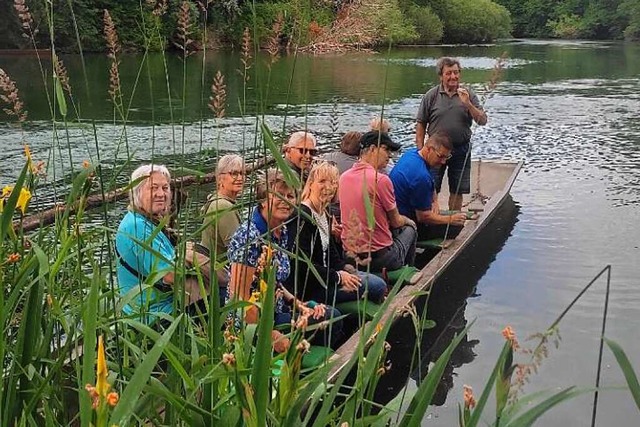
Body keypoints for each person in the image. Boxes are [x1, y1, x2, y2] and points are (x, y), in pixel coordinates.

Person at [228, 168, 343, 351]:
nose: (286, 201)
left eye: (290, 196)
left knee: (331, 317)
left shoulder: (280, 230)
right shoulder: (249, 238)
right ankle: (299, 368)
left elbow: (275, 281)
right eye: (279, 195)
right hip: (252, 325)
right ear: (263, 200)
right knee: (330, 320)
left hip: (277, 311)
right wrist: (271, 334)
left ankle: (307, 364)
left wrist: (299, 305)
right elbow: (239, 299)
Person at [115, 164, 212, 325]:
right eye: (153, 188)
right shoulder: (137, 227)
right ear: (137, 192)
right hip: (154, 315)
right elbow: (169, 275)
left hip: (156, 308)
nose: (161, 194)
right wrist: (190, 257)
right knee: (221, 298)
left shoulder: (145, 220)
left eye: (165, 188)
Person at [287, 161, 387, 306]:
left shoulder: (324, 213)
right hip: (312, 288)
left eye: (333, 182)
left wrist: (344, 268)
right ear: (310, 184)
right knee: (377, 286)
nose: (328, 187)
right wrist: (338, 277)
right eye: (322, 181)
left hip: (329, 277)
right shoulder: (303, 217)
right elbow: (303, 266)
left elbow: (331, 253)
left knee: (375, 282)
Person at [415, 57, 487, 211]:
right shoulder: (431, 96)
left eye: (456, 73)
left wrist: (468, 104)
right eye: (449, 73)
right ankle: (432, 218)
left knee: (458, 189)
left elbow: (482, 120)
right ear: (441, 76)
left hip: (461, 149)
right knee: (431, 186)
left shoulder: (468, 95)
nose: (453, 77)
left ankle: (453, 221)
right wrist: (420, 150)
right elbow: (421, 123)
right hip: (435, 151)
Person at [339, 131, 417, 272]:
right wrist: (407, 220)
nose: (389, 155)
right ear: (373, 148)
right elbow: (396, 222)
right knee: (410, 228)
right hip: (380, 260)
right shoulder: (380, 179)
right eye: (386, 149)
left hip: (349, 256)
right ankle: (406, 270)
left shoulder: (343, 177)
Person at [390, 132, 468, 241]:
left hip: (396, 213)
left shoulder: (411, 154)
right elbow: (423, 217)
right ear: (429, 149)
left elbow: (430, 181)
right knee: (457, 226)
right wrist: (450, 219)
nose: (443, 161)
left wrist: (434, 201)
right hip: (406, 224)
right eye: (440, 156)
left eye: (447, 157)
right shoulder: (421, 177)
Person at [200, 154, 245, 263]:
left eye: (242, 173)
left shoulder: (216, 200)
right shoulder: (223, 207)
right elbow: (238, 250)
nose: (239, 178)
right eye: (233, 174)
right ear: (220, 178)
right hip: (220, 274)